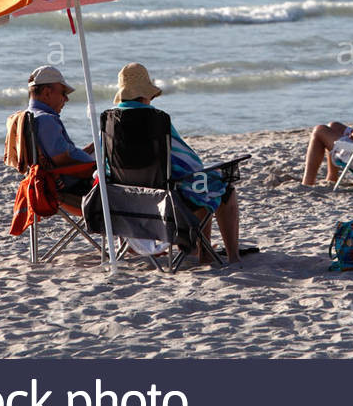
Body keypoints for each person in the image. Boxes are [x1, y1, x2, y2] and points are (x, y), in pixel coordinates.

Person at [111, 62, 241, 263]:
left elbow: (107, 165)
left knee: (199, 184)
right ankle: (227, 256)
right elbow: (188, 161)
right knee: (216, 184)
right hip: (166, 200)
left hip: (127, 200)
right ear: (146, 94)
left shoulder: (109, 121)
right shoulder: (156, 119)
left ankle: (196, 248)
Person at [26, 65, 96, 199]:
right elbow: (63, 162)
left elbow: (58, 155)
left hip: (61, 180)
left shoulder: (29, 116)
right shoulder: (46, 120)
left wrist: (87, 151)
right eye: (63, 93)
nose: (66, 99)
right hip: (77, 185)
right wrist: (96, 170)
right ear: (47, 93)